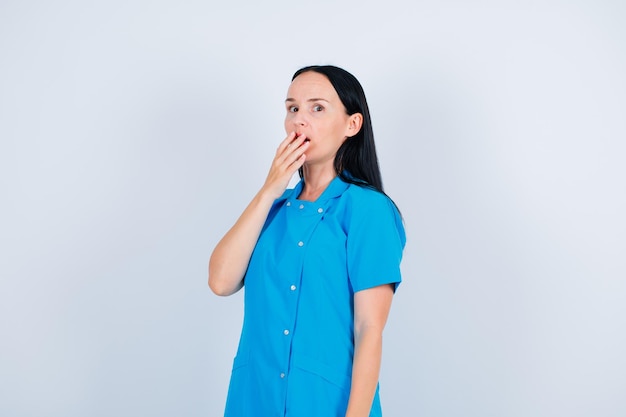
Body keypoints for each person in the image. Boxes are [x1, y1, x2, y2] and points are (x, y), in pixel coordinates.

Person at [208, 65, 406, 417]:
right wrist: (271, 187)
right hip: (254, 401)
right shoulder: (272, 211)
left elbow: (369, 329)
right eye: (292, 108)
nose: (300, 120)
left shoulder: (368, 210)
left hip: (327, 404)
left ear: (352, 124)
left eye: (317, 108)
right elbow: (221, 282)